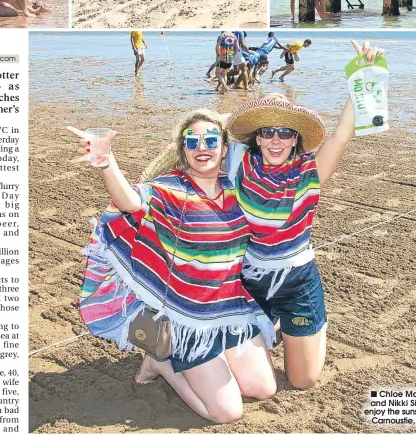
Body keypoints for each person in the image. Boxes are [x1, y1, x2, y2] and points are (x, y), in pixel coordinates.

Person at [68, 110, 277, 423]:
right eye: (192, 141)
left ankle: (208, 361)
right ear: (183, 151)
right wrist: (108, 163)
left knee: (263, 388)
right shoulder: (170, 189)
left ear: (224, 149)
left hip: (232, 310)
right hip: (189, 317)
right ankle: (162, 363)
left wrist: (230, 117)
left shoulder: (237, 186)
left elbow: (271, 153)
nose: (201, 147)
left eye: (211, 140)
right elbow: (130, 201)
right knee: (228, 412)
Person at [224, 40, 385, 389]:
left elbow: (341, 137)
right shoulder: (238, 163)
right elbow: (204, 136)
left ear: (297, 140)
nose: (276, 140)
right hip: (247, 282)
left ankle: (309, 323)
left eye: (286, 132)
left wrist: (364, 75)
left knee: (303, 380)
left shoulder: (308, 173)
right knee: (250, 380)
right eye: (268, 132)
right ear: (257, 138)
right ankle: (271, 328)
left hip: (296, 283)